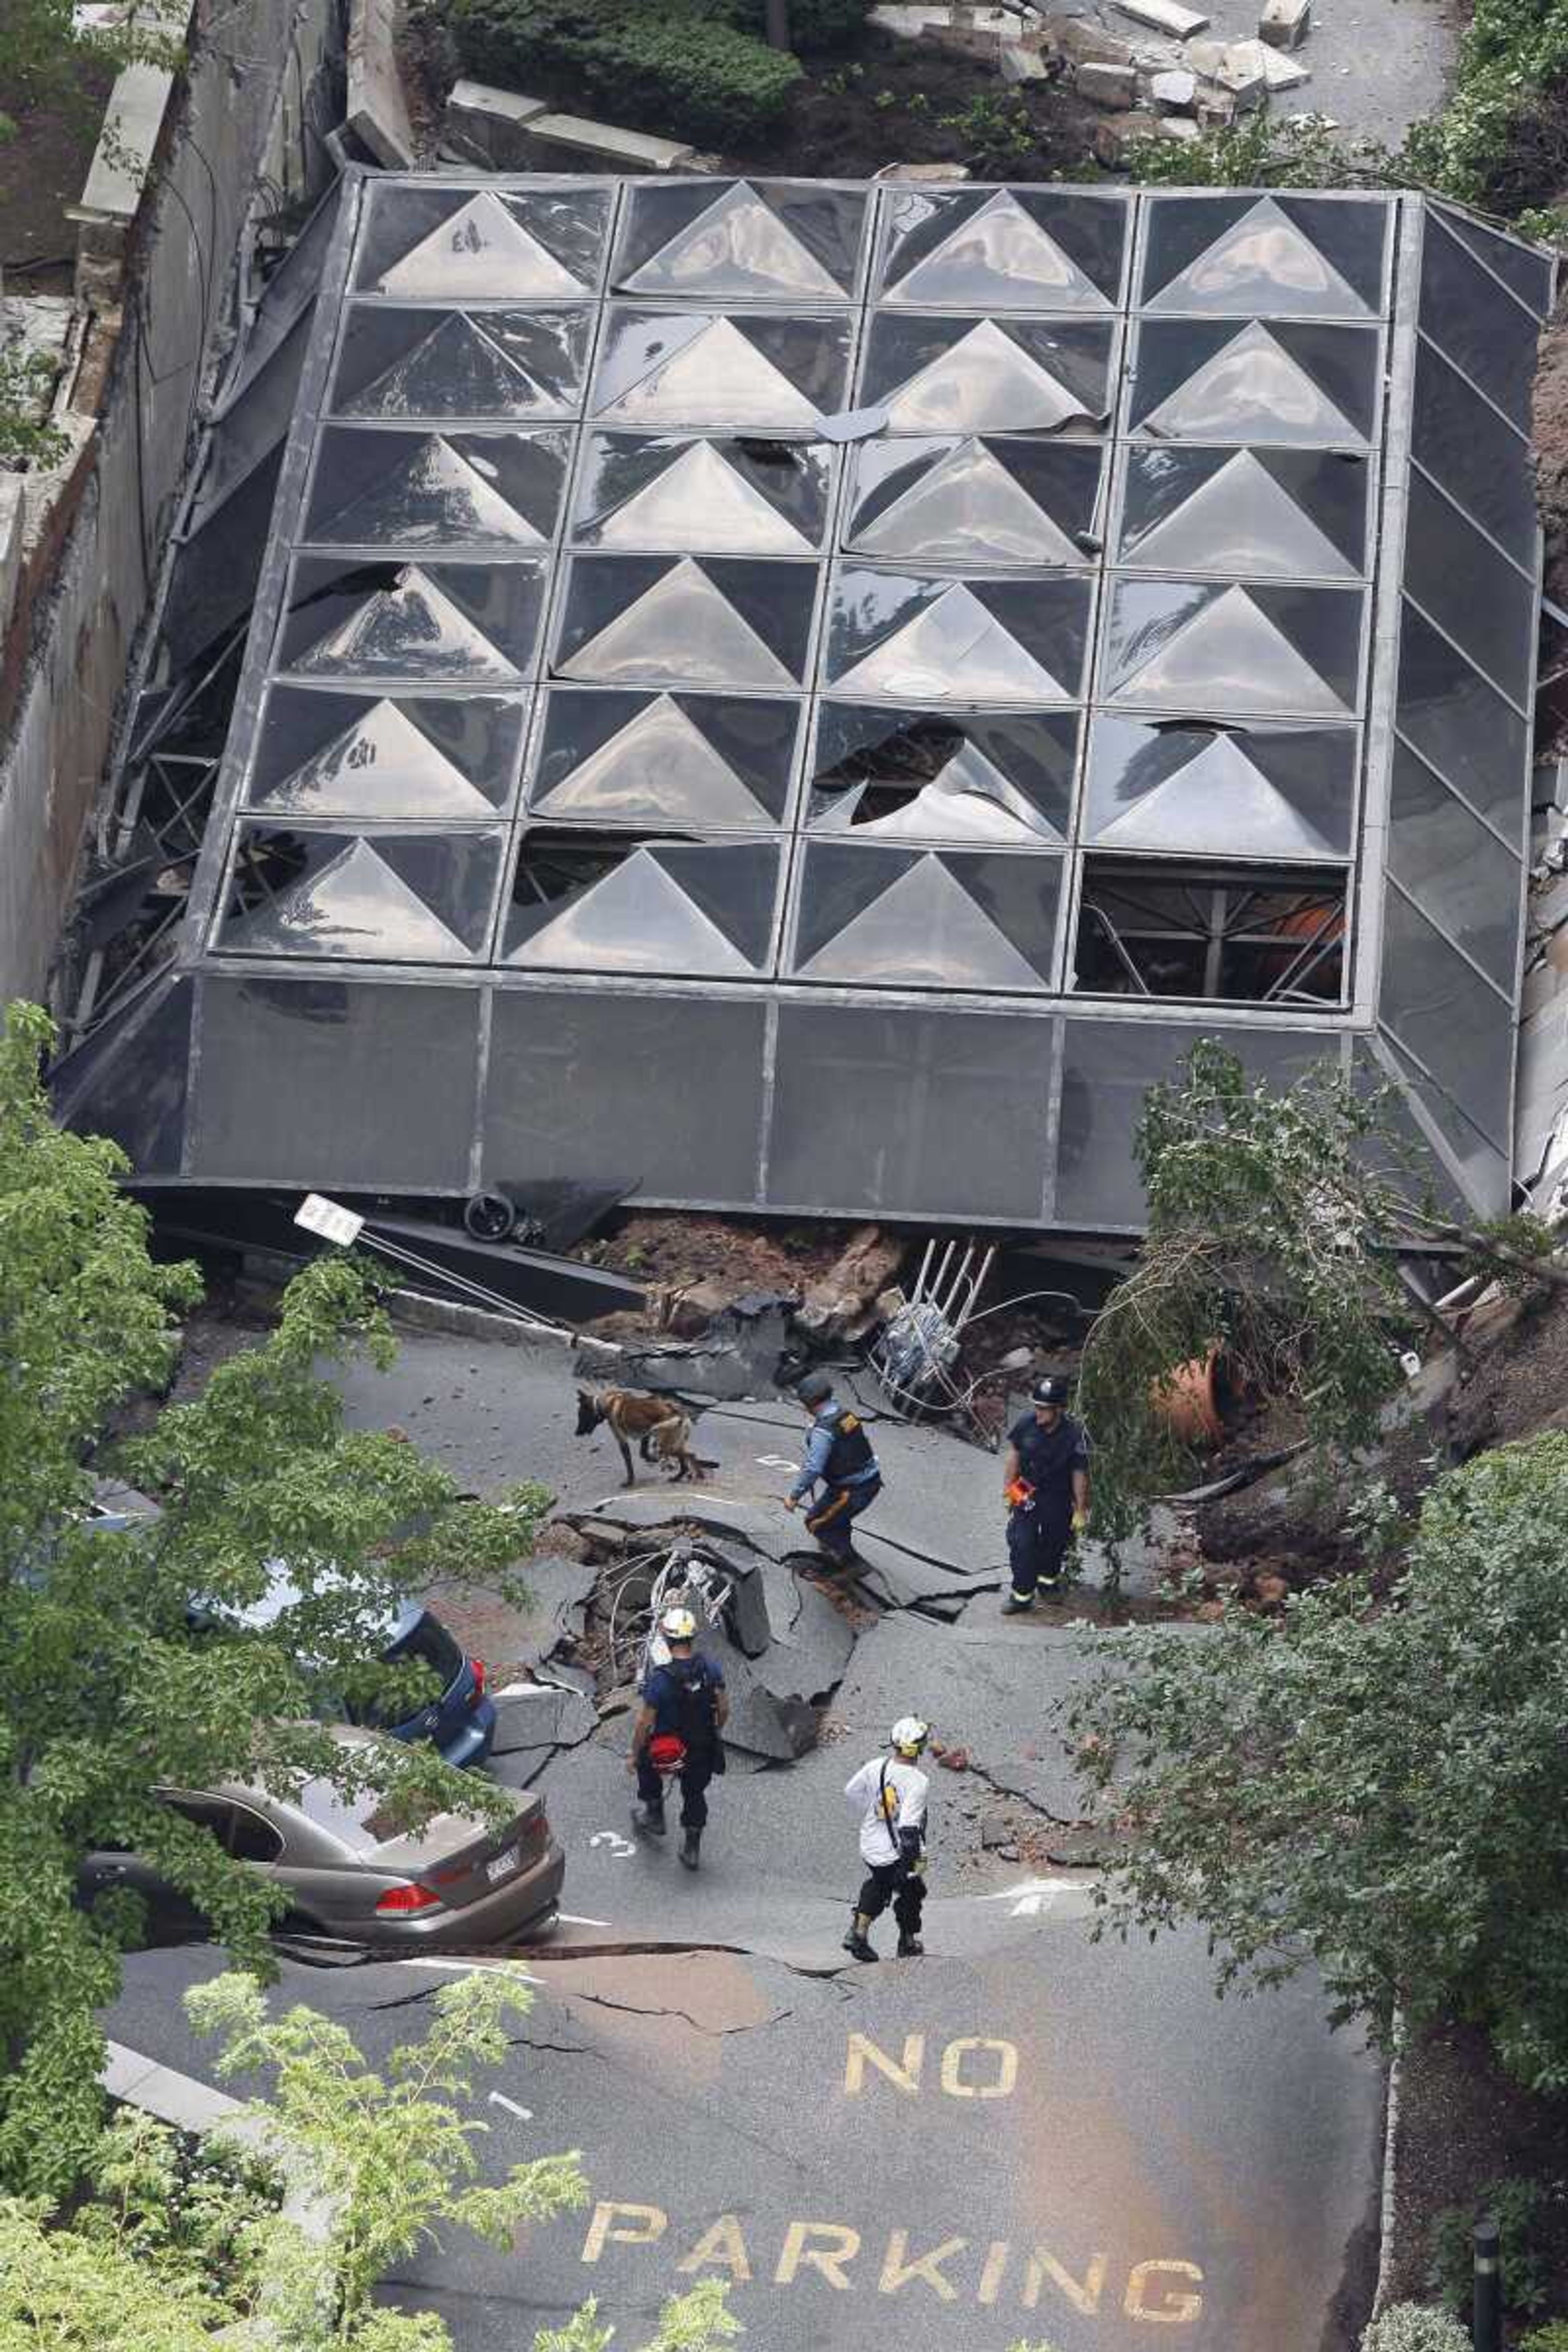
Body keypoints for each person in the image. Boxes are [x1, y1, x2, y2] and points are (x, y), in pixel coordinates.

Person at [628, 1606, 728, 1870]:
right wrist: (716, 1730)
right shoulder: (711, 1668)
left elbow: (644, 1722)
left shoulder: (660, 1680)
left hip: (668, 1750)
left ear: (667, 1639)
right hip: (702, 1747)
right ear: (692, 1637)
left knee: (645, 1764)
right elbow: (724, 1707)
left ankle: (654, 1814)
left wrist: (634, 1754)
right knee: (695, 1794)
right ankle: (692, 1850)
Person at [842, 1717, 931, 1962]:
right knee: (914, 1891)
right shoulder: (918, 1781)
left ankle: (858, 1933)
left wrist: (874, 1811)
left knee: (880, 1884)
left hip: (871, 1845)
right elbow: (909, 1829)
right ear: (917, 1748)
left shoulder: (876, 1766)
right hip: (899, 1851)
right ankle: (908, 1941)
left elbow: (851, 1791)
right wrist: (909, 1865)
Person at [1001, 1373, 1089, 1613]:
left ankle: (1047, 1583)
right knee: (1022, 1542)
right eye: (1037, 1407)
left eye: (1044, 1409)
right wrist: (1009, 1490)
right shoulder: (1026, 1424)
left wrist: (1080, 1510)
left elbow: (1079, 1473)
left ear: (1059, 1410)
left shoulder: (1074, 1435)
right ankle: (1021, 1596)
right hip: (1025, 1488)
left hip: (1057, 1495)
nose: (1038, 1413)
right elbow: (1014, 1457)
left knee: (1055, 1543)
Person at [784, 1370, 882, 1567]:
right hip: (866, 1480)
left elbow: (813, 1468)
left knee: (817, 1524)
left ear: (810, 1403)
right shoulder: (844, 1415)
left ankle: (854, 1565)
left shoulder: (823, 1431)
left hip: (852, 1490)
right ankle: (835, 1551)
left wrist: (794, 1497)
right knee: (837, 1519)